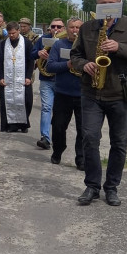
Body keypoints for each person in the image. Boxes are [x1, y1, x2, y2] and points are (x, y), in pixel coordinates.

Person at [70, 0, 127, 206]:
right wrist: (84, 64)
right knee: (89, 138)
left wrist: (120, 47)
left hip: (120, 93)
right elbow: (75, 55)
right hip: (91, 91)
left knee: (119, 143)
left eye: (111, 3)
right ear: (97, 4)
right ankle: (92, 186)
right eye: (102, 3)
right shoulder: (88, 27)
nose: (107, 7)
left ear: (119, 4)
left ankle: (112, 187)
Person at [46, 17, 84, 168]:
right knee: (58, 126)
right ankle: (58, 150)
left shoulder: (86, 47)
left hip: (82, 94)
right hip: (63, 93)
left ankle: (81, 158)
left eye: (78, 28)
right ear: (67, 29)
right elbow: (50, 66)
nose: (75, 30)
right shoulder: (59, 45)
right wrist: (68, 64)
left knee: (83, 129)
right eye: (72, 27)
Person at [32, 18, 65, 150]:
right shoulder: (43, 39)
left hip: (61, 79)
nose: (56, 29)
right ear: (49, 28)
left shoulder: (67, 40)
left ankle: (58, 138)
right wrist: (39, 53)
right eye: (53, 26)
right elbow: (32, 53)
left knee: (59, 111)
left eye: (59, 27)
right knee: (46, 108)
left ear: (64, 28)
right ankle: (45, 137)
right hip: (46, 79)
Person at [0, 21, 34, 132]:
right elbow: (0, 62)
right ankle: (10, 125)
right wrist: (1, 77)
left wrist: (28, 76)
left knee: (26, 101)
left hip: (22, 79)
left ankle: (23, 125)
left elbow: (31, 61)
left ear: (18, 31)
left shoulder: (27, 43)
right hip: (7, 79)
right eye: (9, 33)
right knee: (8, 102)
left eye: (13, 33)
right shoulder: (3, 44)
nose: (11, 35)